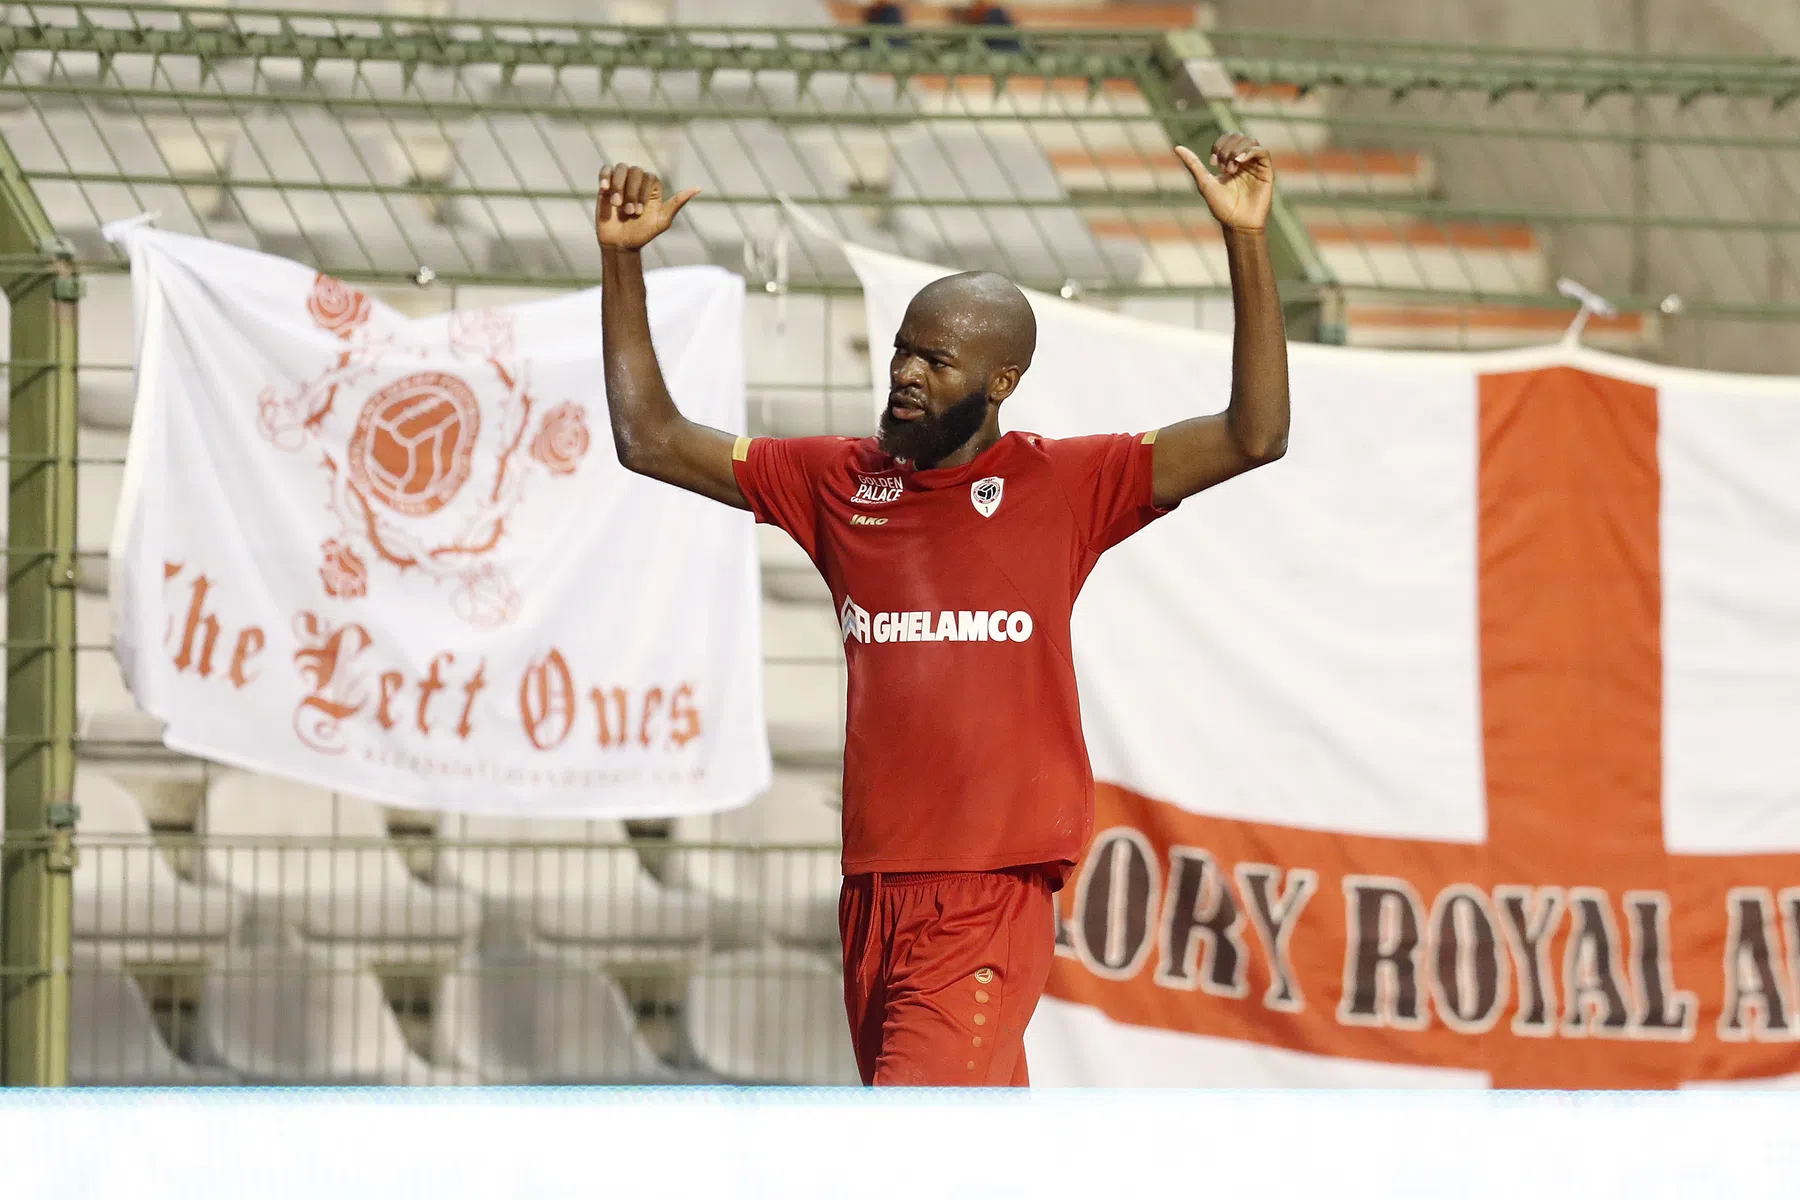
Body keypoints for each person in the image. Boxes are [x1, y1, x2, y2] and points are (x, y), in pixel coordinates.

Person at [595, 133, 1288, 1086]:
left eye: (939, 360)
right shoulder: (836, 481)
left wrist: (1246, 241)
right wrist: (622, 261)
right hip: (874, 888)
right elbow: (651, 437)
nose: (908, 375)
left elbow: (1255, 433)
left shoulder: (1068, 482)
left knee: (912, 1157)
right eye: (902, 352)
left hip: (987, 891)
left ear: (1001, 383)